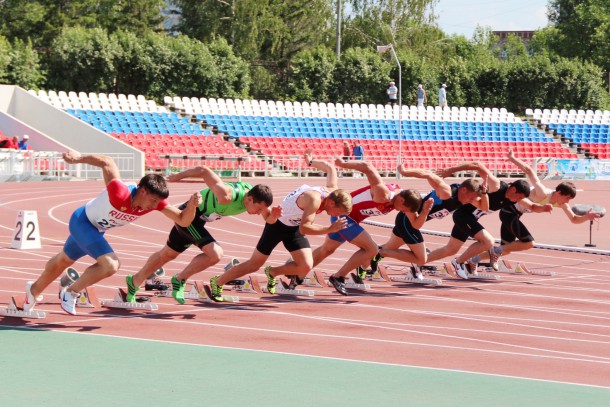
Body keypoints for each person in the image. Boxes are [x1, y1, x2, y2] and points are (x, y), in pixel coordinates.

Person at [23, 151, 202, 315]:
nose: (154, 206)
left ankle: (33, 291)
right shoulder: (120, 192)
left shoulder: (157, 203)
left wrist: (192, 206)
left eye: (158, 202)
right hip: (82, 222)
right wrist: (77, 158)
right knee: (110, 265)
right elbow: (107, 162)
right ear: (143, 191)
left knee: (64, 260)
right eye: (153, 200)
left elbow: (183, 220)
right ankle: (70, 292)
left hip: (96, 230)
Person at [209, 149, 352, 300]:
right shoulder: (314, 199)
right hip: (277, 225)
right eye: (338, 211)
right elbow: (305, 228)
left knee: (305, 266)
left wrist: (310, 162)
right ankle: (217, 282)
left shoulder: (333, 191)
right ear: (331, 202)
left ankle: (273, 272)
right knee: (254, 264)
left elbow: (330, 168)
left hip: (293, 228)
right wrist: (329, 229)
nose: (338, 215)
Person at [124, 165, 275, 304]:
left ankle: (135, 281)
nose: (259, 214)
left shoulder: (255, 197)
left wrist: (277, 217)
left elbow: (269, 218)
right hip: (189, 214)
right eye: (258, 209)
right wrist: (179, 176)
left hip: (198, 221)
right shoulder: (226, 195)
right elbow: (203, 171)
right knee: (215, 254)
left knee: (167, 254)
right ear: (249, 199)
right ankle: (180, 279)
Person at [310, 159, 427, 295]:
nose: (402, 212)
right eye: (403, 209)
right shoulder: (383, 193)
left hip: (352, 219)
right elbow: (367, 166)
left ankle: (296, 271)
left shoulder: (405, 201)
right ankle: (338, 277)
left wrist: (424, 212)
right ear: (401, 200)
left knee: (327, 249)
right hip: (343, 216)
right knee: (371, 249)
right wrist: (343, 164)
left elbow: (416, 224)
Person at [470, 149, 602, 265]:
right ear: (559, 192)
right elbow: (529, 171)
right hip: (509, 212)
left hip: (515, 215)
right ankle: (493, 253)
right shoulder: (542, 192)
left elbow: (573, 219)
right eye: (567, 197)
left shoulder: (562, 204)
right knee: (527, 243)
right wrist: (512, 159)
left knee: (507, 249)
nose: (567, 201)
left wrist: (585, 217)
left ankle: (475, 259)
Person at [430, 161, 548, 278]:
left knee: (451, 249)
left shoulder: (513, 198)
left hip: (470, 219)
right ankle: (458, 263)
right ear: (513, 190)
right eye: (520, 197)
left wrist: (543, 208)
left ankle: (419, 262)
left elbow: (532, 206)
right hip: (463, 215)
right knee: (488, 242)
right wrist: (451, 170)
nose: (519, 201)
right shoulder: (496, 186)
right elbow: (478, 165)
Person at [371, 167, 484, 279]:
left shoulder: (464, 198)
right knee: (421, 259)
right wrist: (405, 172)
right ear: (464, 190)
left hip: (407, 220)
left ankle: (366, 261)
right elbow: (428, 174)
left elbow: (485, 206)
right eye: (471, 198)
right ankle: (380, 253)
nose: (471, 202)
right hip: (407, 221)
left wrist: (484, 191)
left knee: (390, 247)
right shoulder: (446, 192)